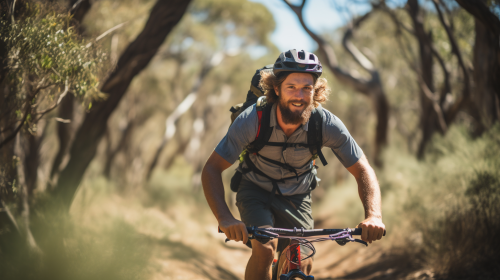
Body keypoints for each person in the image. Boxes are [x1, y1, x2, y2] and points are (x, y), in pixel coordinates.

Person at [201, 49, 385, 280]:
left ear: (315, 90)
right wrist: (225, 218)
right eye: (291, 87)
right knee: (266, 251)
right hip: (254, 189)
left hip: (297, 195)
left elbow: (363, 170)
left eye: (306, 88)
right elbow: (211, 169)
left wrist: (374, 216)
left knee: (301, 259)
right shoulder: (252, 119)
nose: (299, 95)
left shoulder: (326, 123)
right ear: (276, 89)